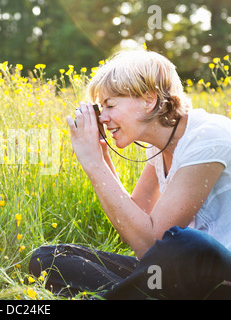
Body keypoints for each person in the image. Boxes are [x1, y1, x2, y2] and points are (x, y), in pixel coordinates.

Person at [29, 49, 231, 299]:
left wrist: (95, 166)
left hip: (218, 274)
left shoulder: (207, 136)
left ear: (149, 100)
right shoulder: (158, 147)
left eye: (110, 105)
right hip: (180, 274)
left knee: (186, 242)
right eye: (101, 108)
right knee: (48, 257)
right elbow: (136, 227)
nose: (103, 118)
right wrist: (101, 158)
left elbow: (150, 243)